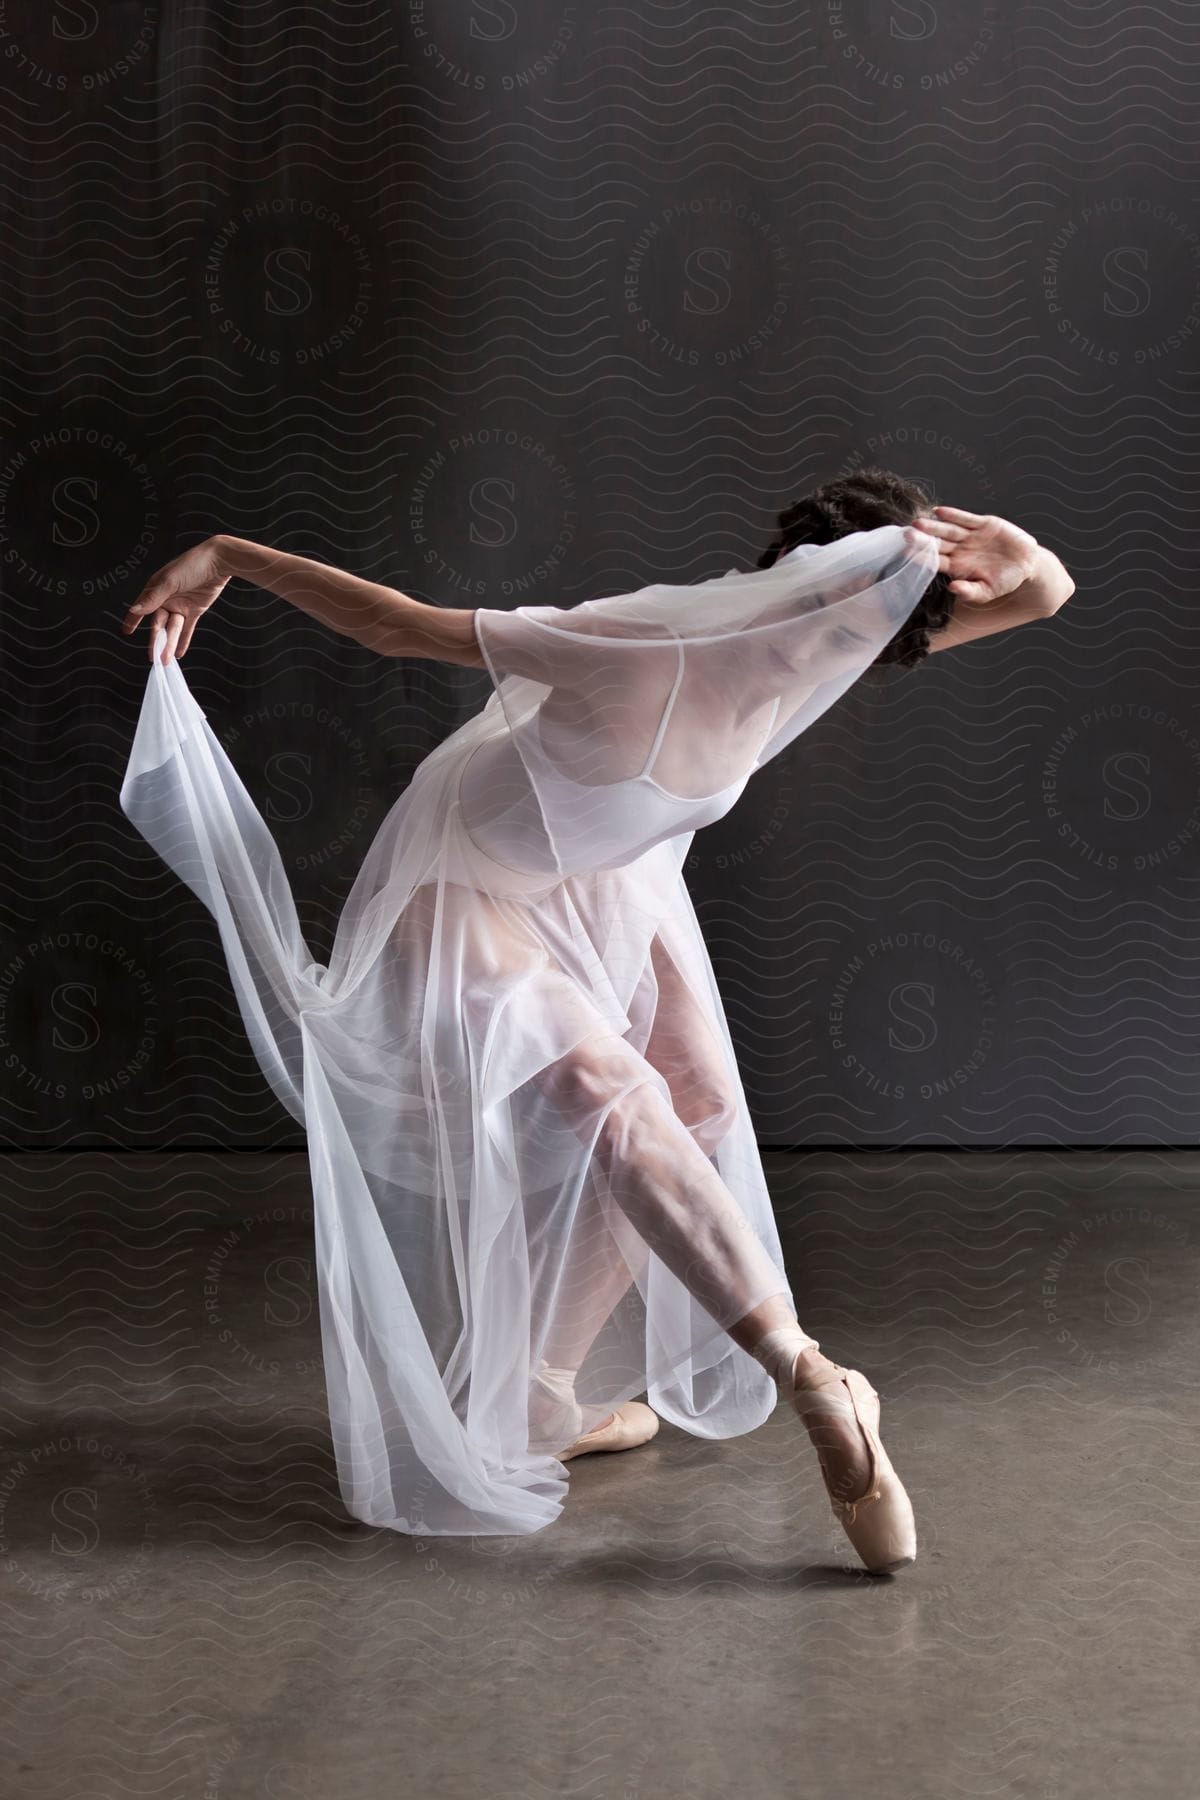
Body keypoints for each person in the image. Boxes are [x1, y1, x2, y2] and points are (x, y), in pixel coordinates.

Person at [118, 468, 1074, 1572]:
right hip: (470, 890)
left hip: (611, 880)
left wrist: (1005, 557)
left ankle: (544, 1397)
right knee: (614, 1096)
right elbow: (395, 628)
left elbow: (1039, 595)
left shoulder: (830, 640)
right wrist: (231, 549)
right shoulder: (647, 640)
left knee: (694, 1103)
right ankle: (809, 1370)